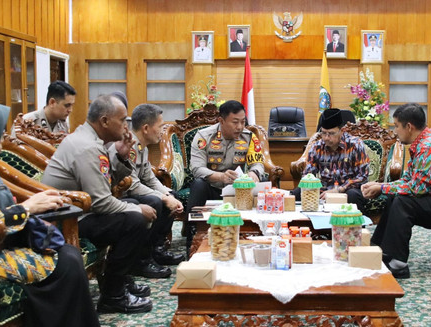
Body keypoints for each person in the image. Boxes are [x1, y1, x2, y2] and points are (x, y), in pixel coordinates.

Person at [0, 98, 100, 326]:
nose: (1, 141)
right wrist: (26, 208)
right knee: (66, 262)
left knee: (68, 255)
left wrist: (28, 208)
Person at [42, 94, 154, 313]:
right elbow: (102, 202)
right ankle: (113, 295)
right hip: (65, 221)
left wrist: (121, 157)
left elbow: (105, 183)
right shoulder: (87, 147)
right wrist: (138, 210)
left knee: (132, 206)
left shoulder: (91, 140)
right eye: (122, 121)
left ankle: (118, 281)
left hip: (80, 211)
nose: (126, 127)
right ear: (104, 121)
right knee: (135, 219)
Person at [361, 103, 431, 279]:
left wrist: (381, 187)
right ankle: (380, 250)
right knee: (393, 196)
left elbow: (417, 188)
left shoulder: (428, 146)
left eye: (396, 126)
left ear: (409, 126)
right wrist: (383, 188)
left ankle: (399, 263)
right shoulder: (423, 141)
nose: (395, 131)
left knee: (404, 202)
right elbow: (409, 179)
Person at [109, 103, 185, 269]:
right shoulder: (129, 146)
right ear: (145, 128)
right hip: (121, 195)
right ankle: (142, 259)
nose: (162, 131)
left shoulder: (142, 147)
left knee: (172, 195)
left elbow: (149, 179)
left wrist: (168, 194)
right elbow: (133, 186)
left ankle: (157, 249)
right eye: (160, 126)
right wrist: (163, 198)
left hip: (134, 191)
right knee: (155, 202)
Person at [185, 100, 264, 254]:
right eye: (235, 122)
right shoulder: (204, 136)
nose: (240, 127)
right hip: (212, 187)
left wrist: (254, 173)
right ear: (221, 121)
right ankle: (192, 237)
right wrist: (220, 176)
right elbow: (196, 168)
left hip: (238, 191)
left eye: (242, 122)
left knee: (264, 184)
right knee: (198, 184)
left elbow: (258, 163)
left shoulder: (249, 137)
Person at [290, 108, 369, 210]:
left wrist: (339, 190)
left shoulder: (355, 145)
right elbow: (308, 174)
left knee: (353, 195)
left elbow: (362, 177)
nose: (326, 138)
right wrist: (313, 188)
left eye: (331, 133)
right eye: (323, 133)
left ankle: (356, 225)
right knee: (297, 192)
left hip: (348, 190)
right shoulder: (317, 147)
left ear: (342, 131)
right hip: (325, 190)